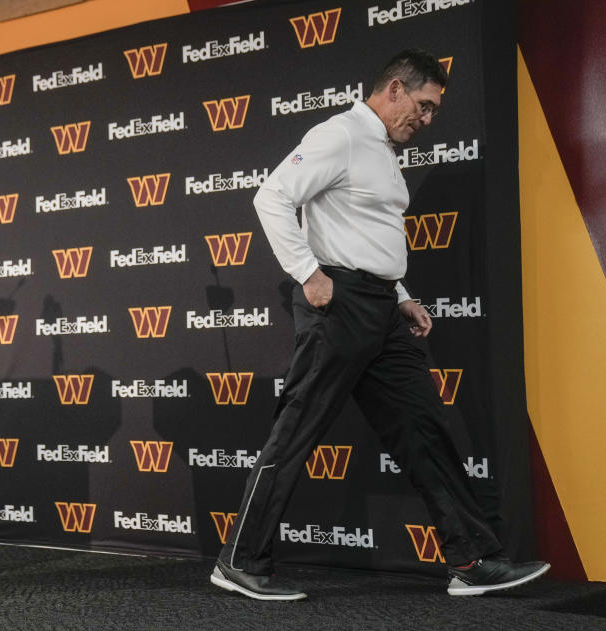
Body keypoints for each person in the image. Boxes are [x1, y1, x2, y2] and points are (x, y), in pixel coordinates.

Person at [210, 49, 549, 600]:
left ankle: (471, 561)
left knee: (425, 429)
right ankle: (240, 561)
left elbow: (370, 240)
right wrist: (308, 275)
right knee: (296, 434)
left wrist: (402, 296)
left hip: (382, 309)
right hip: (338, 306)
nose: (428, 119)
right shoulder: (340, 135)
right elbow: (270, 196)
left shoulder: (384, 151)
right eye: (424, 105)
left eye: (434, 111)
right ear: (393, 89)